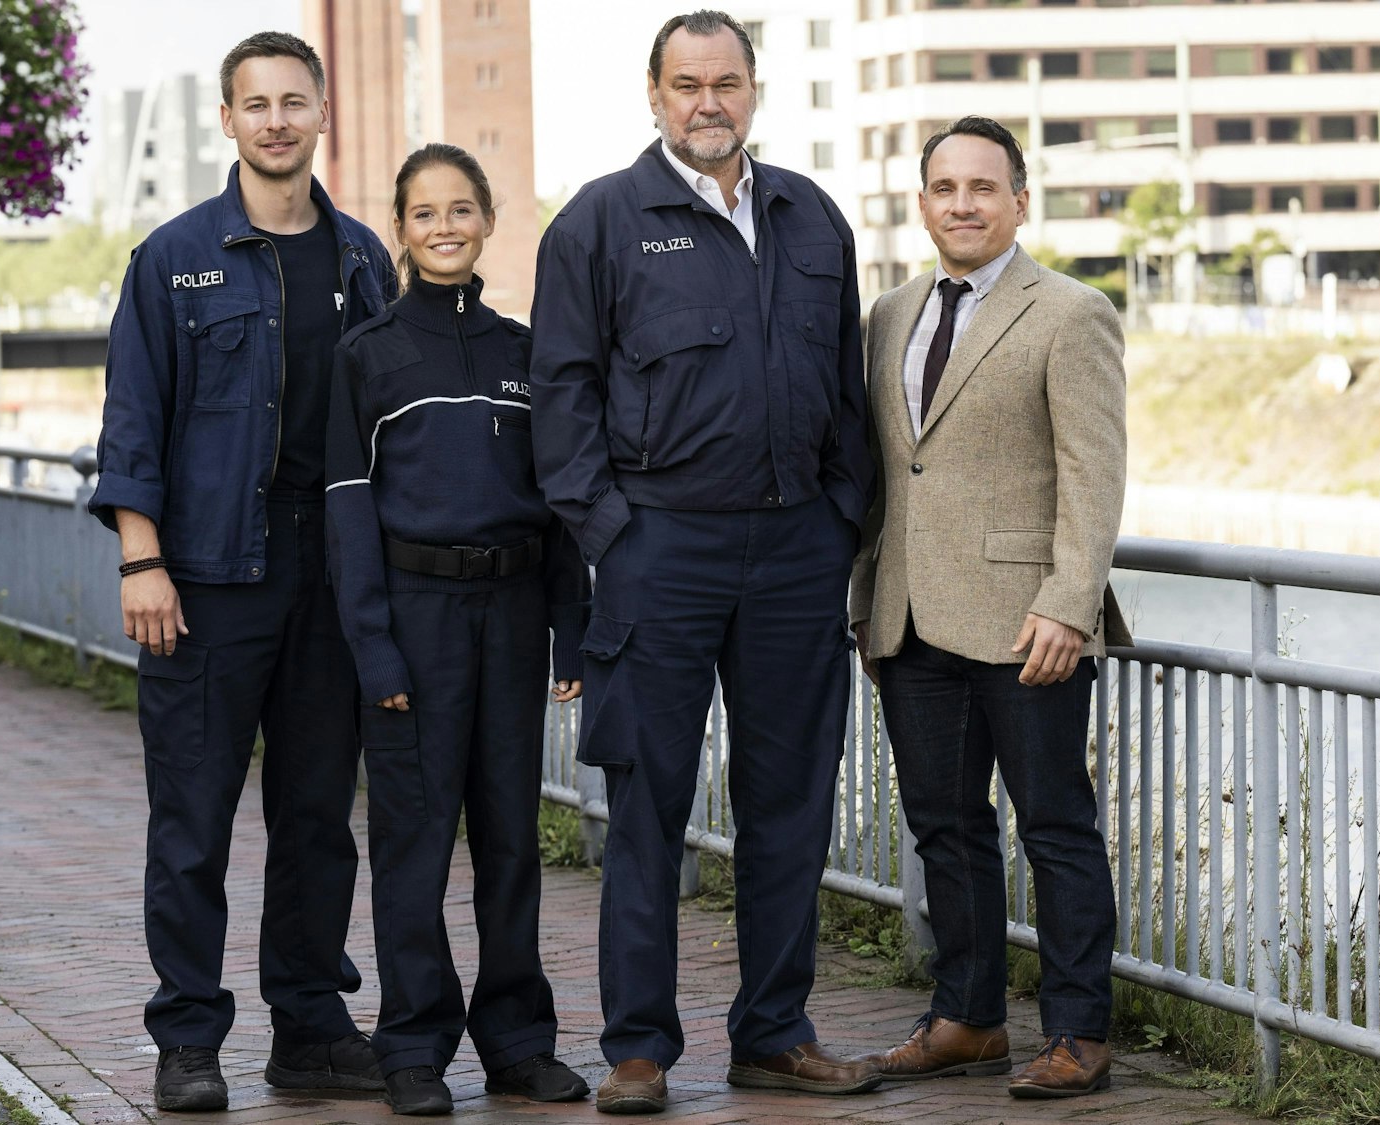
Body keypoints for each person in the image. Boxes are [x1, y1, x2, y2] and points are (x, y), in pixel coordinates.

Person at [528, 10, 877, 1114]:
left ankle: (773, 1032)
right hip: (658, 549)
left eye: (725, 82)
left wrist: (840, 519)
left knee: (790, 805)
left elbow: (846, 389)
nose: (707, 102)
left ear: (753, 90)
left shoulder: (811, 219)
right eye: (686, 84)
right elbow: (561, 397)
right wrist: (614, 537)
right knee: (644, 808)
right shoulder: (597, 223)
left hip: (792, 555)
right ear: (653, 94)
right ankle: (638, 1050)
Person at [87, 31, 397, 1113]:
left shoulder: (364, 257)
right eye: (254, 104)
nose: (275, 120)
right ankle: (187, 1039)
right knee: (193, 819)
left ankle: (309, 1030)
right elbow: (133, 420)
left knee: (316, 816)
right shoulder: (174, 258)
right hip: (208, 578)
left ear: (321, 115)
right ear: (227, 120)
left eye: (292, 102)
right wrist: (142, 558)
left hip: (331, 576)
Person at [847, 116, 1131, 1099]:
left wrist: (1068, 601)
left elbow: (1092, 475)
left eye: (981, 187)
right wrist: (864, 599)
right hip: (909, 618)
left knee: (1052, 826)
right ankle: (965, 1018)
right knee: (943, 827)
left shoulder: (1069, 311)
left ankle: (1078, 1032)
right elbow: (890, 473)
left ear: (1018, 200)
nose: (961, 204)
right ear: (920, 202)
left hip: (1028, 623)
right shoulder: (887, 313)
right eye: (943, 188)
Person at [324, 144, 592, 1116]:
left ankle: (518, 1043)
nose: (443, 228)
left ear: (487, 219)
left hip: (514, 616)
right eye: (422, 213)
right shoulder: (366, 356)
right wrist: (372, 646)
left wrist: (570, 627)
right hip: (414, 618)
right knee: (415, 844)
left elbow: (560, 502)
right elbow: (346, 510)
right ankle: (411, 1049)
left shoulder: (526, 353)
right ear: (398, 229)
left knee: (512, 841)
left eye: (460, 210)